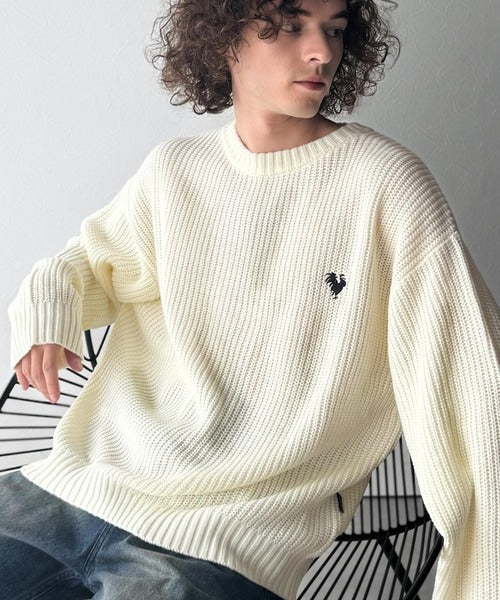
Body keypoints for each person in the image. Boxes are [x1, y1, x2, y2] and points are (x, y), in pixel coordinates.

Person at [2, 0, 499, 598]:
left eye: (335, 30)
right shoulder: (176, 171)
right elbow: (87, 261)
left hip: (224, 540)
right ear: (222, 36)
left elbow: (472, 389)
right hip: (71, 489)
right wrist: (46, 316)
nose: (322, 51)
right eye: (291, 26)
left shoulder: (387, 187)